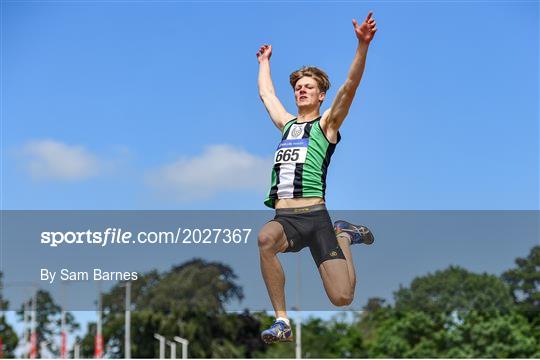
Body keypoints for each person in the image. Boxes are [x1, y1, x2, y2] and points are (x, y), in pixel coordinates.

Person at [256, 12, 378, 343]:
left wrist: (362, 46)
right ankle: (281, 320)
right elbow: (267, 96)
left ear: (321, 94)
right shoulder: (287, 124)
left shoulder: (326, 126)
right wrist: (264, 63)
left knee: (342, 297)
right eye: (297, 87)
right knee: (265, 239)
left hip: (316, 218)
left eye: (308, 86)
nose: (301, 91)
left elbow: (350, 87)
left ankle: (342, 236)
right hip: (286, 218)